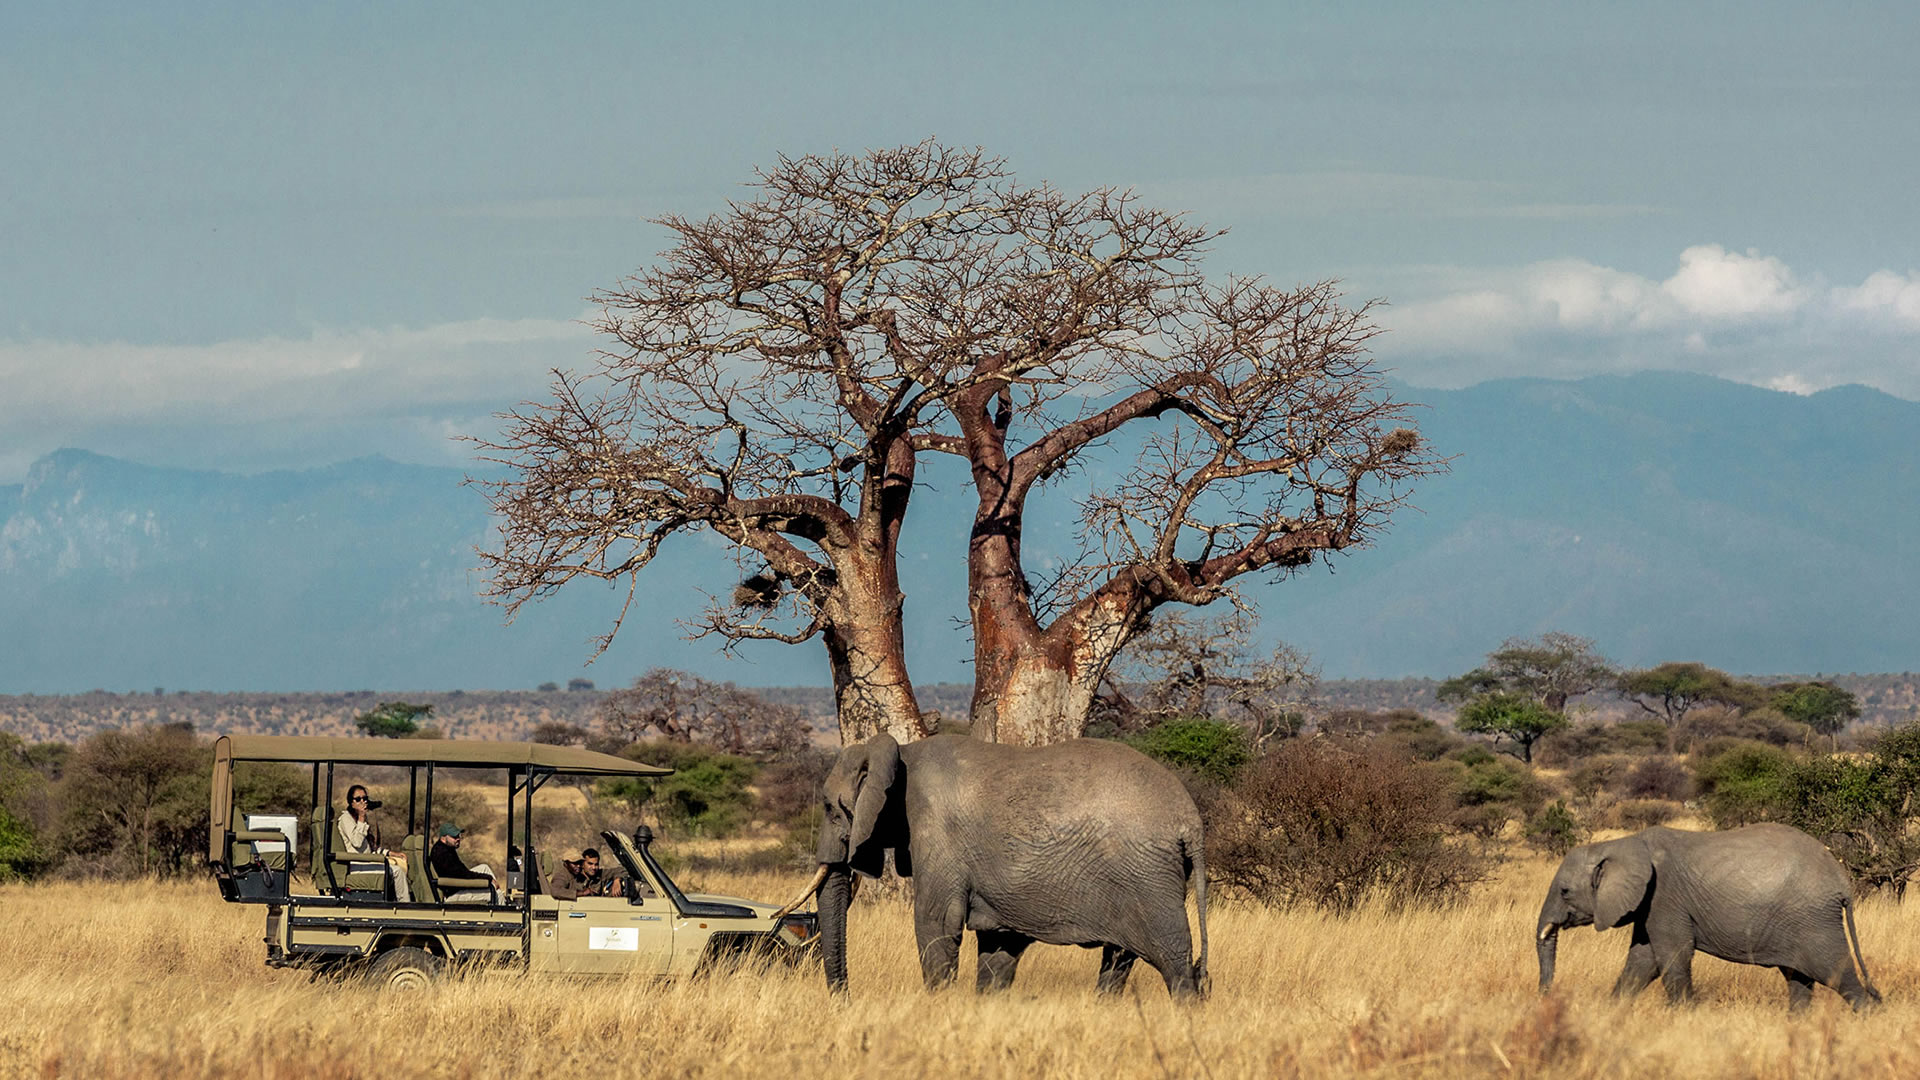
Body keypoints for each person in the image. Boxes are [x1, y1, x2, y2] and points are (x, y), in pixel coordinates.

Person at [337, 784, 411, 902]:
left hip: (367, 861)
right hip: (358, 864)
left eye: (365, 799)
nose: (362, 802)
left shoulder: (360, 819)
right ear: (351, 802)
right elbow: (357, 842)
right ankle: (405, 906)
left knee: (399, 867)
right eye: (358, 799)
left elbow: (371, 848)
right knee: (397, 871)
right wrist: (362, 818)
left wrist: (392, 854)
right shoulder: (346, 818)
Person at [429, 823, 498, 902]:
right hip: (454, 892)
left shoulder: (447, 848)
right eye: (454, 837)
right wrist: (488, 878)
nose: (458, 839)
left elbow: (462, 872)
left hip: (458, 884)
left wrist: (488, 878)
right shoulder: (442, 853)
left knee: (484, 867)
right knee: (496, 894)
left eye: (458, 836)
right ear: (443, 838)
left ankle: (497, 889)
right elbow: (462, 875)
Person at [548, 847, 615, 900]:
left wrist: (617, 879)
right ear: (566, 863)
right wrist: (582, 893)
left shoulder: (579, 874)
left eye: (579, 863)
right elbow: (556, 891)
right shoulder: (562, 875)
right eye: (574, 863)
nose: (578, 866)